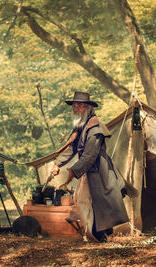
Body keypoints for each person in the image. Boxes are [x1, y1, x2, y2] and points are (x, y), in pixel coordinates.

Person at [51, 91, 129, 242]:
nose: (76, 108)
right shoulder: (82, 125)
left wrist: (74, 171)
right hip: (88, 169)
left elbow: (90, 155)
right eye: (74, 105)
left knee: (98, 204)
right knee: (84, 201)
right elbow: (73, 148)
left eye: (80, 105)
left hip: (99, 170)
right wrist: (57, 163)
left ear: (88, 107)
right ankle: (97, 236)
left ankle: (100, 237)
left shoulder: (95, 127)